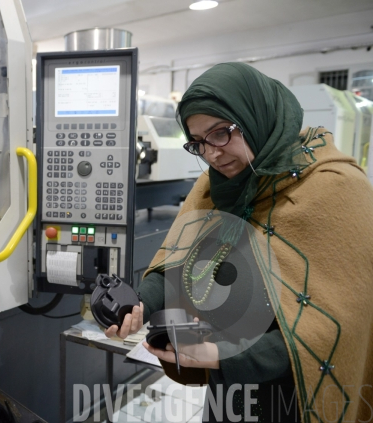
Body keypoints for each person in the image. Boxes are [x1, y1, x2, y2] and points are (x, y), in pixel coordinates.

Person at [106, 63, 373, 422]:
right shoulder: (216, 185)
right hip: (229, 385)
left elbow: (342, 324)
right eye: (198, 143)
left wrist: (227, 356)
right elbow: (179, 261)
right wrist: (139, 303)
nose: (212, 154)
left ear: (255, 115)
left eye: (220, 133)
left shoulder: (337, 189)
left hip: (297, 392)